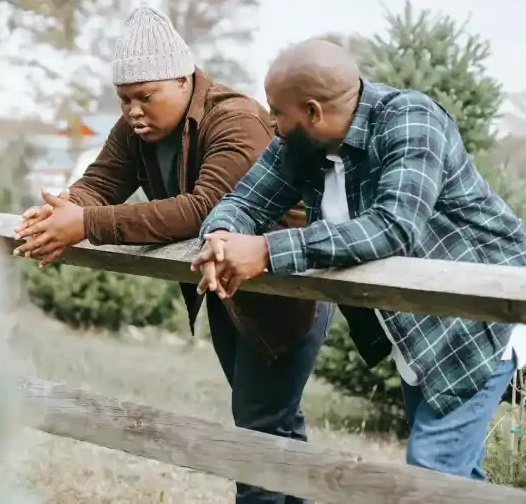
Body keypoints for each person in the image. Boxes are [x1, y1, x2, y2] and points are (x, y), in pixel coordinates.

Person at [13, 6, 334, 504]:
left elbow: (206, 208)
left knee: (259, 432)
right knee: (270, 427)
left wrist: (86, 224)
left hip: (286, 290)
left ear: (184, 80)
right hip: (230, 290)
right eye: (124, 99)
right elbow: (101, 183)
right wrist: (62, 211)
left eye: (146, 96)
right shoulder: (134, 130)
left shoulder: (237, 119)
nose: (133, 111)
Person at [194, 37, 526, 480]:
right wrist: (219, 237)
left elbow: (393, 226)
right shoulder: (302, 145)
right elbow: (246, 201)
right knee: (458, 477)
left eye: (277, 112)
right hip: (417, 327)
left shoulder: (410, 118)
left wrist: (269, 250)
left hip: (478, 316)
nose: (271, 123)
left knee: (432, 471)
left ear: (313, 112)